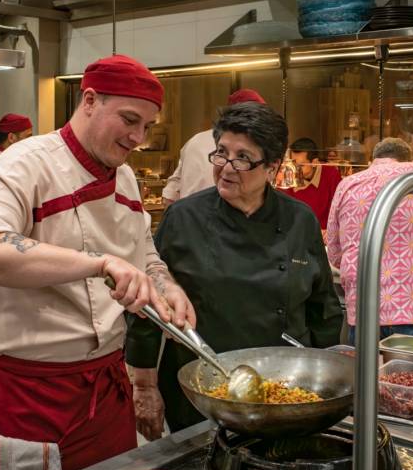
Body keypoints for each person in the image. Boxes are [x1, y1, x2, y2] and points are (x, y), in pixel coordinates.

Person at [0, 55, 196, 470]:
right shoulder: (25, 164)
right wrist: (99, 263)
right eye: (130, 120)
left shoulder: (127, 178)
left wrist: (165, 284)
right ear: (90, 100)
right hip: (22, 391)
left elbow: (144, 252)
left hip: (101, 390)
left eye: (147, 127)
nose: (138, 138)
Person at [126, 102, 344, 438]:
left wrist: (331, 380)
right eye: (221, 153)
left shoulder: (299, 219)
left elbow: (323, 310)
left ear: (272, 166)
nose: (226, 168)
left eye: (243, 158)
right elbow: (149, 309)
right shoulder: (184, 218)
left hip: (284, 392)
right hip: (200, 392)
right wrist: (143, 388)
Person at [327, 138, 413, 344]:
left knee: (367, 376)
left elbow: (335, 254)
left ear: (373, 160)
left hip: (364, 311)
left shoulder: (346, 184)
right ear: (409, 159)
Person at [161, 89, 266, 205]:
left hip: (189, 216)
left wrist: (177, 217)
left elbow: (170, 194)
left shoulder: (194, 140)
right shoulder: (251, 146)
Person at [279, 137, 342, 231]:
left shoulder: (331, 174)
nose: (295, 169)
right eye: (293, 164)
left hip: (325, 235)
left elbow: (340, 210)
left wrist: (331, 231)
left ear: (315, 162)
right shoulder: (288, 178)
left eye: (301, 165)